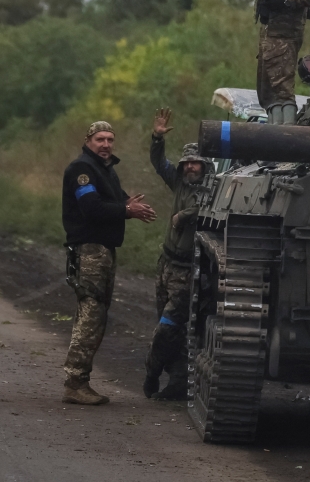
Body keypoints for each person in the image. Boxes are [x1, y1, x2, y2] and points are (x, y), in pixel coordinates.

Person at [62, 121, 156, 405]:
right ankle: (75, 382)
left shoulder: (104, 170)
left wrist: (129, 202)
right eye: (100, 139)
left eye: (110, 140)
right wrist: (127, 210)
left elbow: (113, 199)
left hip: (103, 249)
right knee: (90, 314)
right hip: (89, 249)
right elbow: (91, 207)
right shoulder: (82, 170)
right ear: (88, 140)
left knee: (97, 314)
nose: (106, 145)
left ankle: (79, 381)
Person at [143, 108, 211, 401]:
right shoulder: (180, 181)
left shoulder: (212, 189)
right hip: (166, 263)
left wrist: (184, 215)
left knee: (167, 329)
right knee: (168, 327)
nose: (190, 168)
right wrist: (157, 137)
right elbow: (159, 164)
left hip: (187, 270)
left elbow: (207, 211)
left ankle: (152, 373)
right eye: (187, 163)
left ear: (204, 165)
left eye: (195, 163)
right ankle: (178, 382)